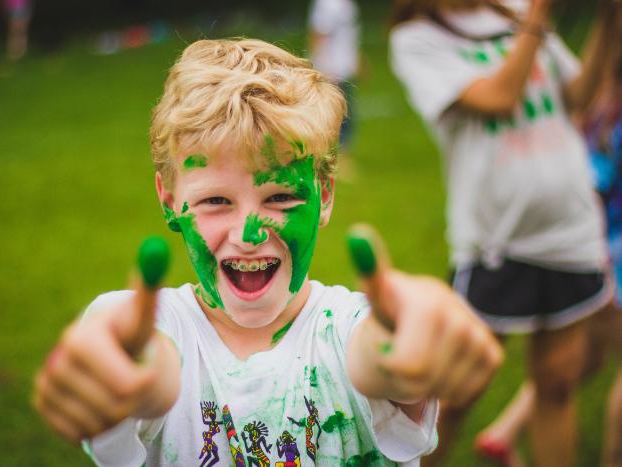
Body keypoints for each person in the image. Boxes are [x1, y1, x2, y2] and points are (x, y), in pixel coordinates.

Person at [32, 38, 502, 466]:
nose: (250, 232)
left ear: (326, 196)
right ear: (170, 200)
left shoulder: (346, 330)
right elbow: (149, 371)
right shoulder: (159, 330)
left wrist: (410, 339)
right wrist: (126, 372)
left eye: (281, 197)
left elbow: (381, 363)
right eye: (216, 201)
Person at [389, 0, 616, 466]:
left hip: (570, 230)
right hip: (496, 241)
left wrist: (610, 23)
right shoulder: (416, 39)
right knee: (454, 394)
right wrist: (537, 20)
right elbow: (498, 97)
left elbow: (578, 98)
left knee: (557, 386)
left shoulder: (514, 10)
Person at [475, 4, 622, 465]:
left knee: (574, 366)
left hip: (590, 247)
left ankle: (505, 431)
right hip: (594, 248)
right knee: (471, 374)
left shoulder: (598, 105)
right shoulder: (603, 116)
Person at [308, 0, 361, 178]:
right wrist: (325, 67)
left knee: (347, 116)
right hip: (332, 71)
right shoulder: (329, 4)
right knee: (339, 117)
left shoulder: (346, 4)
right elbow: (318, 34)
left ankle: (336, 158)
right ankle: (334, 161)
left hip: (342, 68)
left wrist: (355, 59)